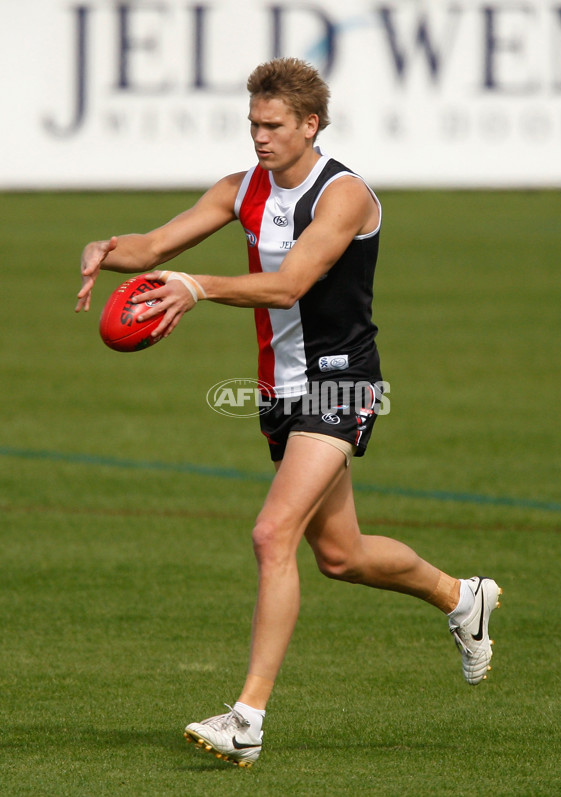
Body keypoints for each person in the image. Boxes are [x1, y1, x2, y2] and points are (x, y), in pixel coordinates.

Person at [76, 57, 502, 768]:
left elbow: (290, 283)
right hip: (280, 392)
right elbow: (154, 246)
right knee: (340, 554)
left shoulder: (344, 196)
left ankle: (247, 718)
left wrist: (196, 287)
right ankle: (463, 596)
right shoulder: (242, 187)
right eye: (252, 124)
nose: (260, 138)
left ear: (310, 124)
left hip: (340, 383)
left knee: (272, 534)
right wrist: (105, 249)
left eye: (273, 126)